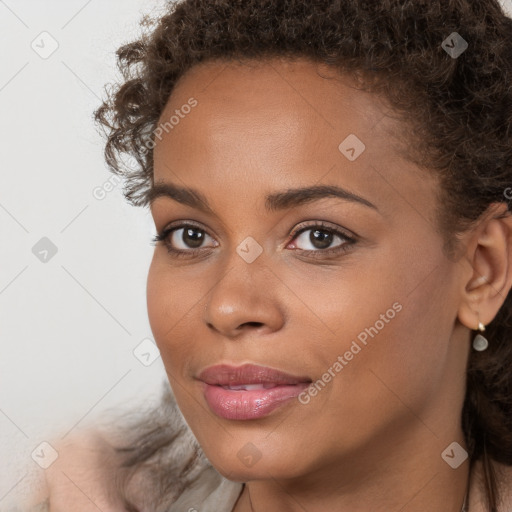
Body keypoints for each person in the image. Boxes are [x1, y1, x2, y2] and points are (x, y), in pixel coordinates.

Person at [24, 0, 512, 510]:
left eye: (318, 237)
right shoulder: (73, 493)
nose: (228, 307)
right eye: (189, 235)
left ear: (483, 270)